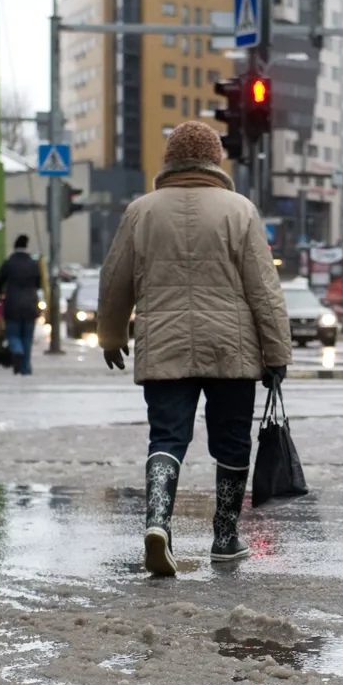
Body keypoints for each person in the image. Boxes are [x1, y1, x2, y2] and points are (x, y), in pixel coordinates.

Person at [99, 121, 291, 577]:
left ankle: (158, 525)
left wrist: (111, 334)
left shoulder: (141, 211)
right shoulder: (239, 210)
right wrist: (276, 351)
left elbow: (114, 279)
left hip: (163, 346)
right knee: (231, 441)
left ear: (170, 160)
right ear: (215, 159)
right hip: (231, 349)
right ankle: (224, 537)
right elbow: (264, 288)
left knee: (166, 437)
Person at [0, 234, 42, 375]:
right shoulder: (33, 264)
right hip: (30, 306)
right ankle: (25, 368)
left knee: (13, 334)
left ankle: (16, 350)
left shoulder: (8, 263)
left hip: (12, 305)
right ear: (27, 247)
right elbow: (38, 283)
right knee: (27, 338)